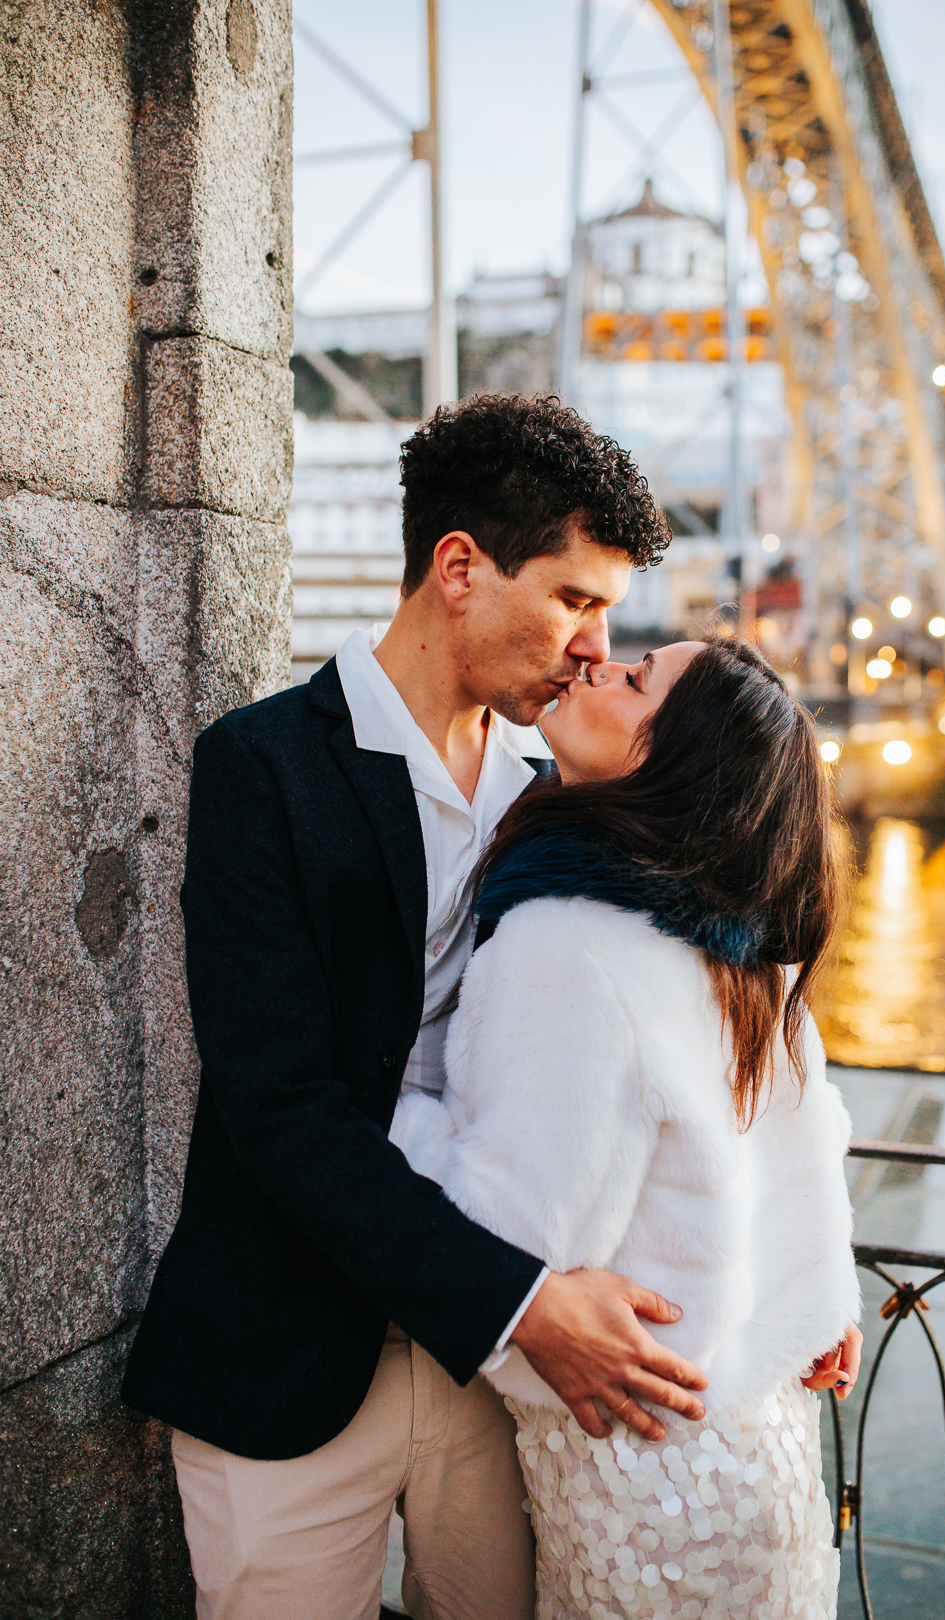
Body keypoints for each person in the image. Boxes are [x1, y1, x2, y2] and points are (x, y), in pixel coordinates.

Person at [122, 394, 713, 1620]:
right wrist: (519, 1301)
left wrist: (792, 1290)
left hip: (490, 1386)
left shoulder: (553, 791)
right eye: (574, 599)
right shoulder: (262, 766)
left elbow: (690, 1015)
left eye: (606, 614)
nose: (596, 648)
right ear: (459, 568)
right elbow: (277, 1107)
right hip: (291, 1357)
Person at [389, 634, 863, 1620]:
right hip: (761, 1456)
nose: (597, 662)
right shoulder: (743, 952)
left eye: (636, 678)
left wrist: (392, 1112)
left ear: (668, 759)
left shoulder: (568, 940)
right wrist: (825, 1309)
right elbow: (808, 1162)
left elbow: (513, 1241)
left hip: (647, 1491)